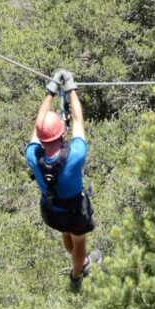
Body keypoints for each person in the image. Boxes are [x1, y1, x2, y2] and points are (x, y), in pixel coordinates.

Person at [25, 70, 100, 291]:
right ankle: (77, 273)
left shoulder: (32, 156)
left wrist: (50, 91)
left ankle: (79, 261)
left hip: (51, 212)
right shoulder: (75, 155)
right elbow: (78, 119)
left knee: (67, 233)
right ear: (61, 135)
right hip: (75, 212)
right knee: (79, 241)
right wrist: (70, 88)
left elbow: (38, 128)